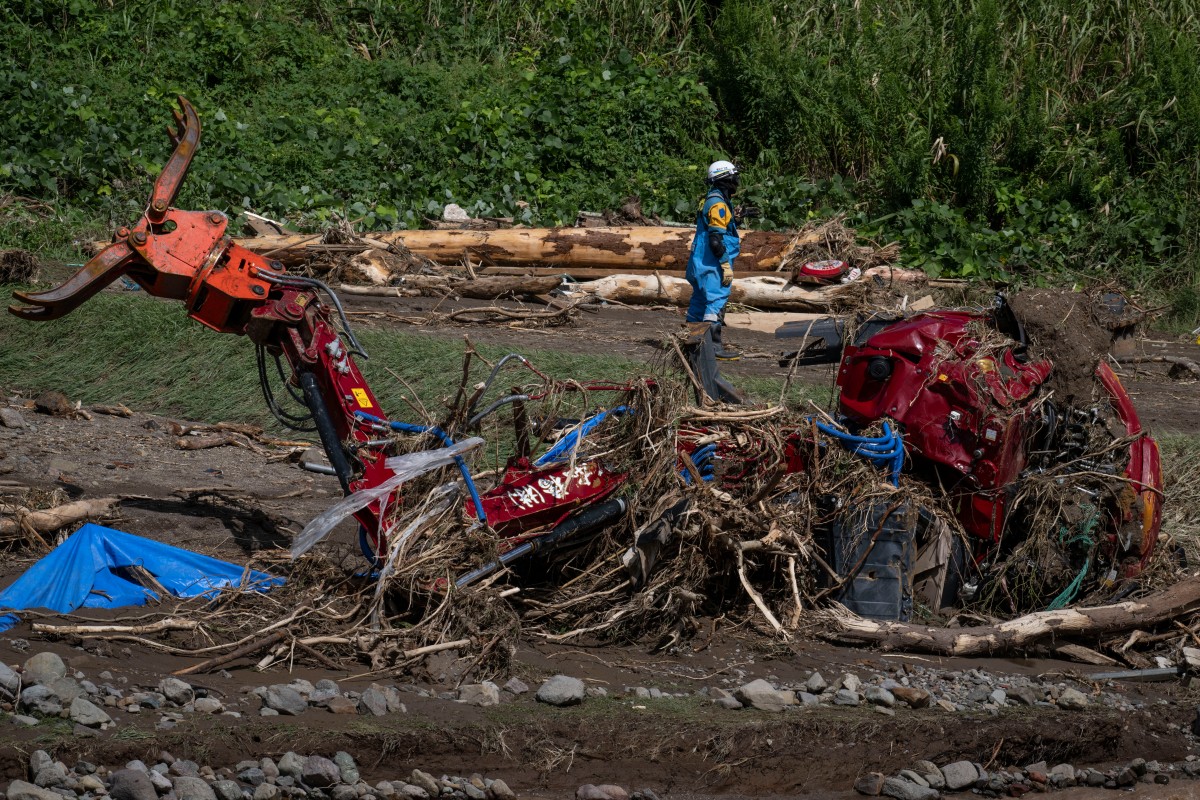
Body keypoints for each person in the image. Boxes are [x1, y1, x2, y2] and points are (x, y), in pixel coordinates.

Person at [686, 160, 742, 361]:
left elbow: (717, 225)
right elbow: (716, 240)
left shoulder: (711, 198)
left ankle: (692, 342)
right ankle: (714, 348)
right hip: (712, 263)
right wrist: (725, 264)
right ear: (726, 179)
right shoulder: (718, 203)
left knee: (699, 301)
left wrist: (738, 218)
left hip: (698, 261)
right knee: (715, 302)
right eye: (734, 176)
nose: (737, 180)